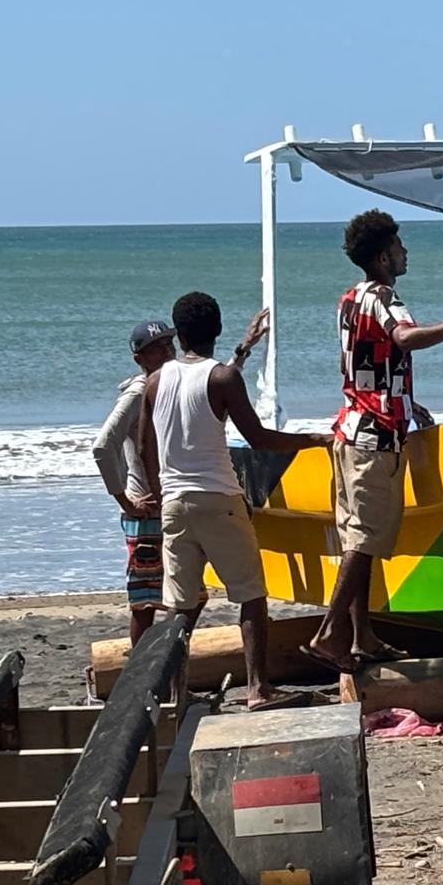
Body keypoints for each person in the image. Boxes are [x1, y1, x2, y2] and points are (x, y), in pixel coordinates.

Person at [303, 210, 443, 673]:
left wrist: (408, 403)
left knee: (358, 537)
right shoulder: (384, 296)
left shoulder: (349, 300)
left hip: (352, 429)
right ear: (384, 256)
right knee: (365, 539)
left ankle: (362, 636)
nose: (406, 252)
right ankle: (330, 633)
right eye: (399, 245)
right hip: (374, 438)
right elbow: (404, 338)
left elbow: (371, 364)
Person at [138, 292, 330, 711]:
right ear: (217, 329)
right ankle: (258, 689)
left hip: (174, 503)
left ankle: (175, 693)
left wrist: (159, 488)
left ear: (178, 334)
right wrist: (315, 440)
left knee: (181, 606)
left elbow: (143, 444)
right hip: (220, 499)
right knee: (249, 595)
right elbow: (260, 439)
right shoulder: (222, 378)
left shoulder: (156, 381)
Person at [93, 312, 268, 646]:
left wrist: (243, 350)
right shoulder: (139, 391)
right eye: (156, 348)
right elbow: (103, 446)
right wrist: (125, 500)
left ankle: (167, 670)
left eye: (168, 344)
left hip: (171, 501)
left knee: (190, 596)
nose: (166, 352)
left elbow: (207, 387)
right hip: (147, 509)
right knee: (146, 603)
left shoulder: (169, 381)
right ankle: (141, 676)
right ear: (139, 358)